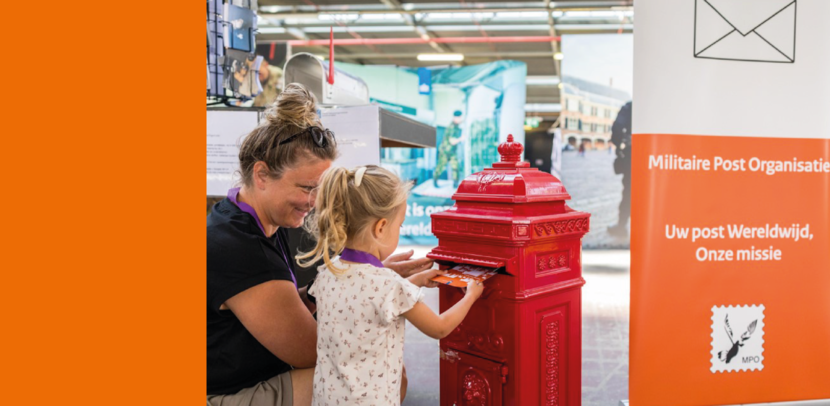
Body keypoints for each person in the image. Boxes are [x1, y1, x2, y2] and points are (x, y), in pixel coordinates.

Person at [207, 83, 434, 406]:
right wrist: (377, 296)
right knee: (382, 375)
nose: (315, 202)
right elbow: (315, 350)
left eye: (320, 189)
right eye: (306, 188)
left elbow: (285, 304)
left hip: (243, 375)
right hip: (222, 395)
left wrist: (369, 279)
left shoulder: (244, 216)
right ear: (261, 175)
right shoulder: (239, 248)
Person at [300, 165, 484, 406]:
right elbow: (439, 328)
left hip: (328, 398)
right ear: (380, 228)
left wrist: (416, 281)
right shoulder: (388, 285)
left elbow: (367, 299)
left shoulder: (328, 272)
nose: (399, 230)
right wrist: (471, 295)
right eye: (400, 225)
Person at [608, 101, 633, 237]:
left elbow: (617, 126)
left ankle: (621, 226)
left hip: (632, 153)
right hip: (655, 155)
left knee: (628, 191)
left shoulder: (630, 106)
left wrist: (619, 144)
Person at [433, 110, 465, 188]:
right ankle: (435, 180)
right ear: (455, 118)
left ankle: (455, 184)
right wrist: (461, 139)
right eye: (459, 118)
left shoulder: (456, 126)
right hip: (445, 151)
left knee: (455, 167)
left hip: (452, 151)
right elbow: (452, 141)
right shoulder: (452, 127)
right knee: (441, 167)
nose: (460, 119)